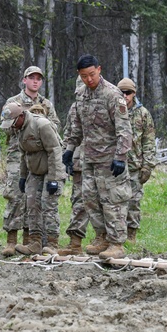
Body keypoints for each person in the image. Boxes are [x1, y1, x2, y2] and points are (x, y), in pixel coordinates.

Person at [62, 54, 133, 260]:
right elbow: (77, 127)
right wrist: (69, 149)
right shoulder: (81, 95)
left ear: (99, 70)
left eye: (92, 74)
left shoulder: (112, 95)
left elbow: (124, 130)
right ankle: (101, 237)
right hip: (89, 158)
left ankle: (116, 242)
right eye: (84, 76)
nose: (89, 79)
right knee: (90, 199)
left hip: (110, 159)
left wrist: (120, 156)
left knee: (112, 200)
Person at [1, 66, 60, 256]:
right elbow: (7, 128)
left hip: (43, 155)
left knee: (40, 201)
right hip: (19, 155)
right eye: (31, 78)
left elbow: (54, 135)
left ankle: (35, 239)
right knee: (16, 195)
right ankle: (12, 239)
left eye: (38, 78)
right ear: (24, 80)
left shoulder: (46, 104)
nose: (35, 81)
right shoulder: (13, 103)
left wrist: (54, 176)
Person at [117, 78, 156, 242]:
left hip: (134, 165)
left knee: (133, 201)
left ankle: (131, 233)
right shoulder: (113, 110)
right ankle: (115, 233)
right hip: (115, 165)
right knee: (115, 201)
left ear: (134, 94)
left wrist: (148, 166)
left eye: (128, 93)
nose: (125, 96)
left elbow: (149, 140)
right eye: (122, 93)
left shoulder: (143, 114)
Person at [58, 98, 90, 256]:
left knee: (104, 202)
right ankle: (75, 243)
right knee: (79, 202)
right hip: (79, 161)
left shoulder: (107, 100)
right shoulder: (75, 106)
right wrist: (66, 155)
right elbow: (69, 133)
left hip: (101, 160)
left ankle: (106, 241)